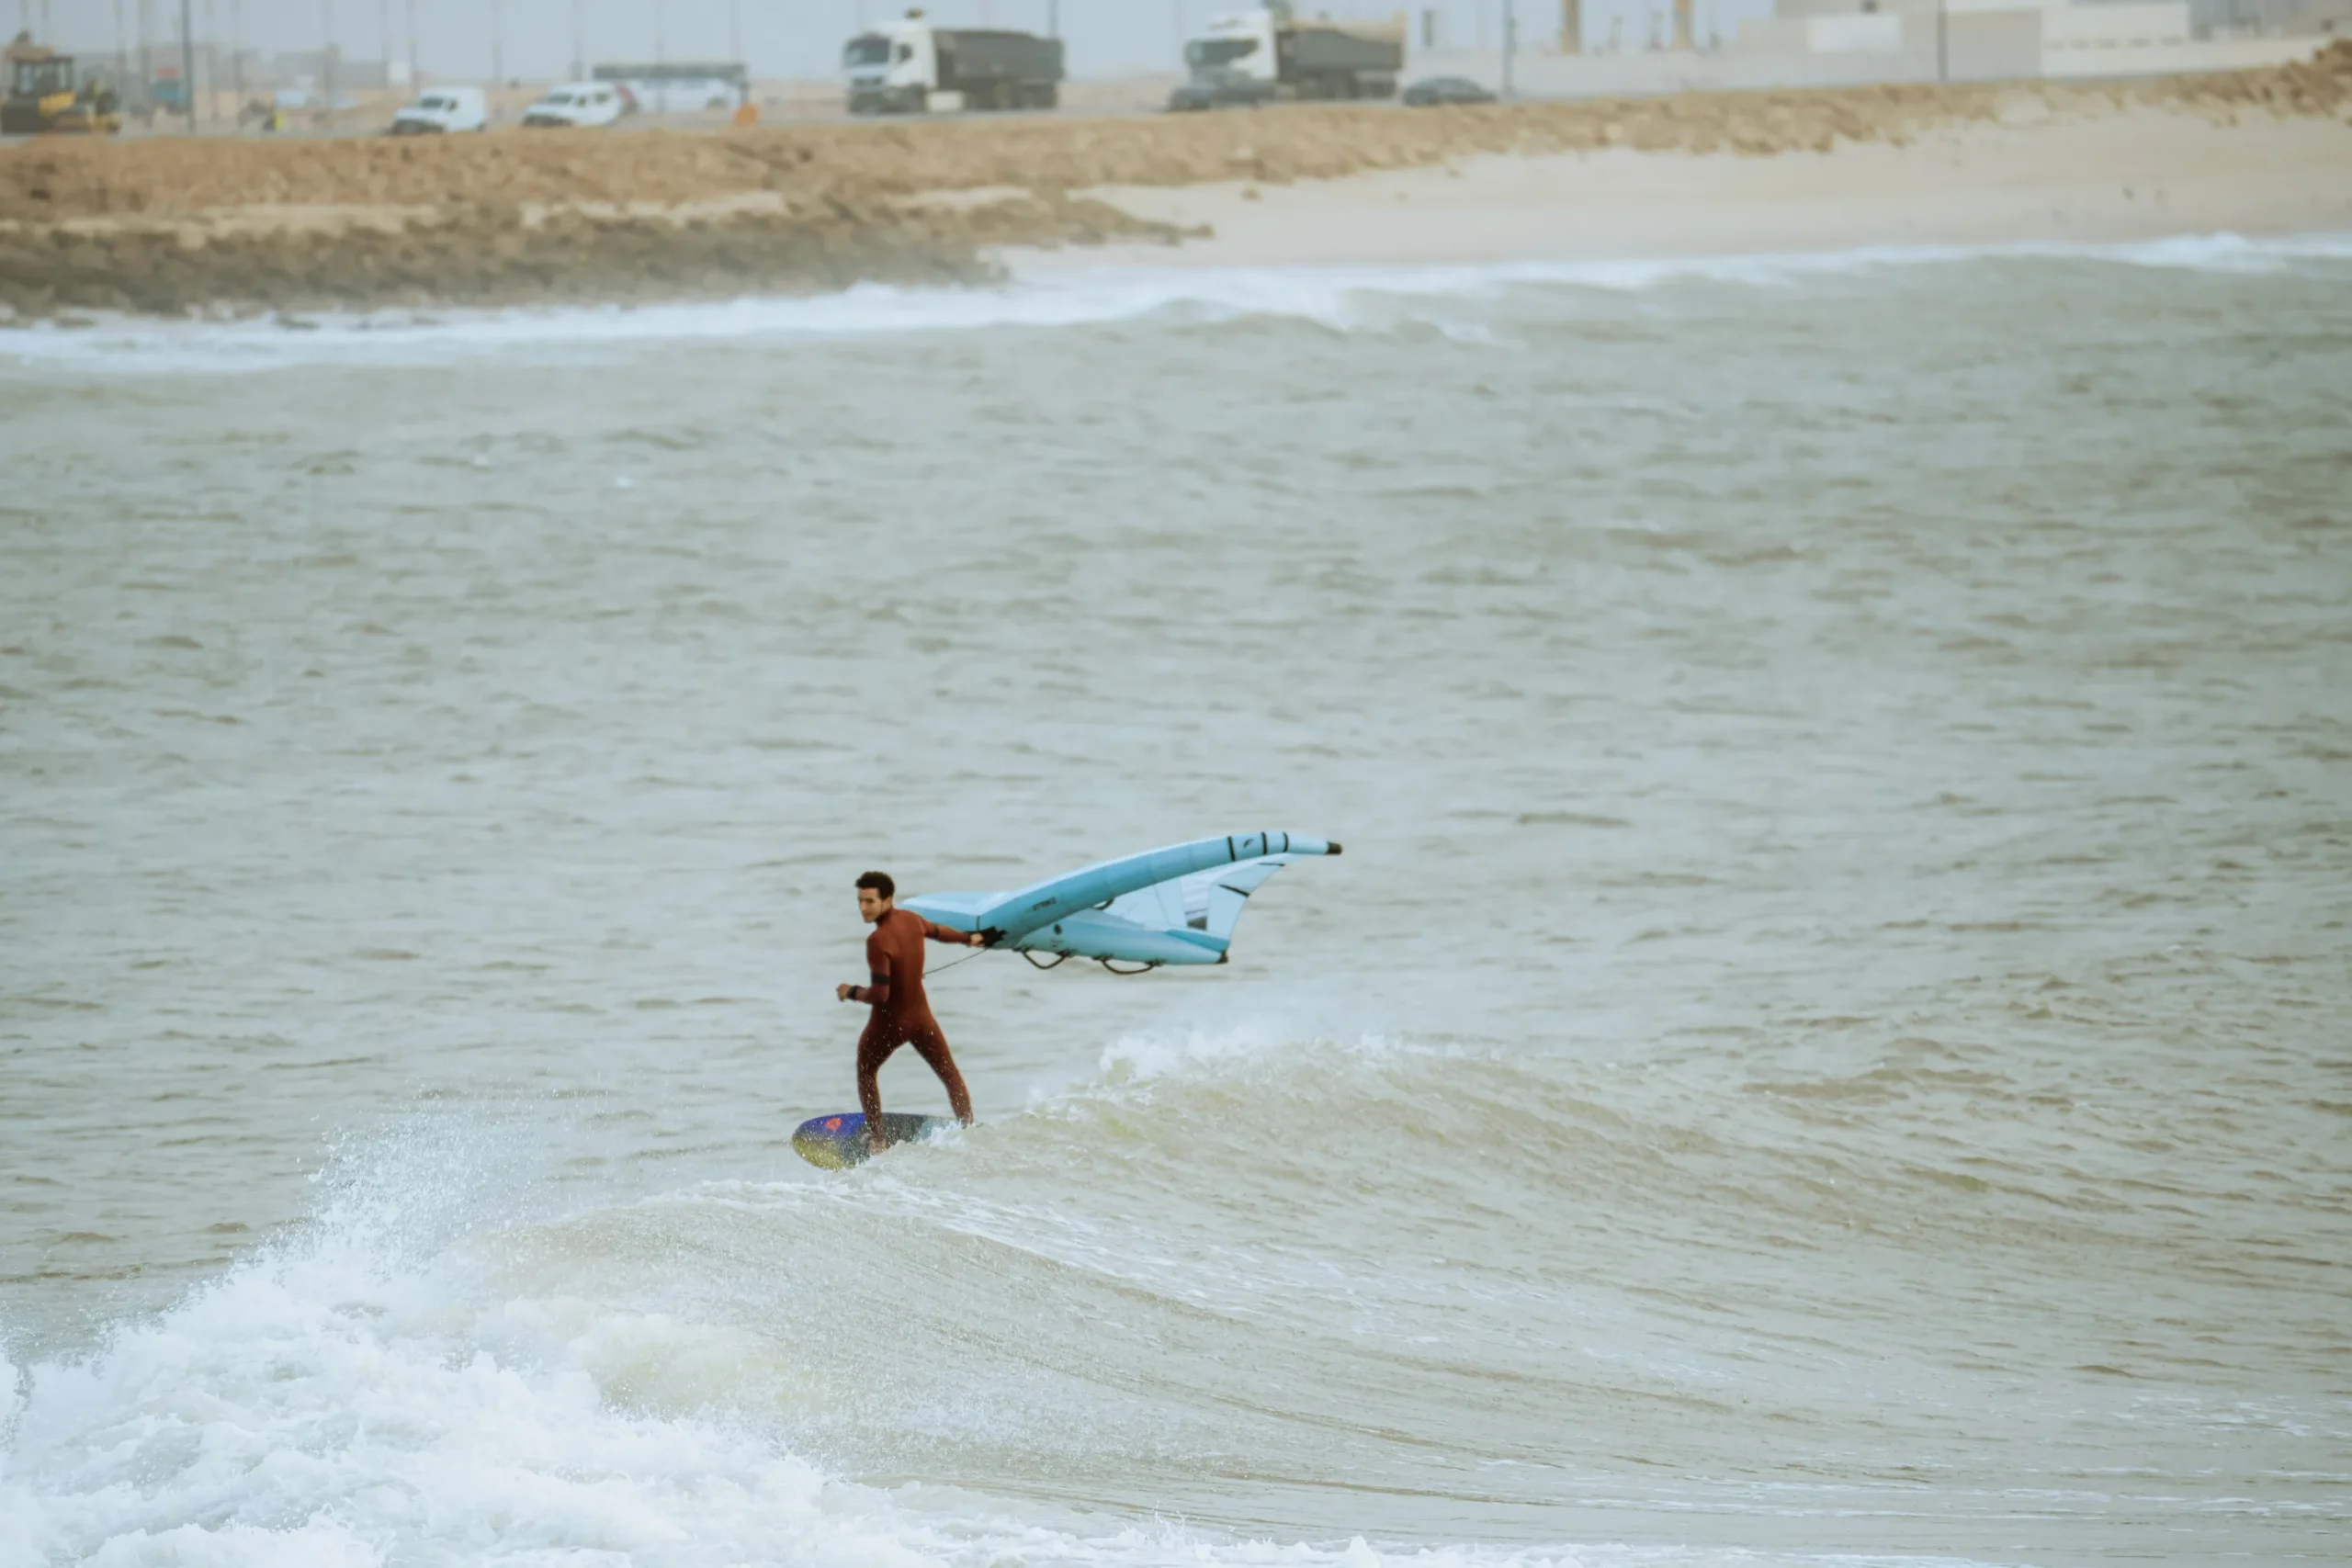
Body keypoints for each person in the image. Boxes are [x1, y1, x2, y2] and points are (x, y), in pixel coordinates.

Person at [837, 870, 986, 1155]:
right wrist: (969, 938)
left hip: (890, 1023)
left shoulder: (877, 940)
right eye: (860, 901)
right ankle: (968, 1130)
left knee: (866, 1071)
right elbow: (939, 932)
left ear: (888, 899)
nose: (863, 908)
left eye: (869, 901)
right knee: (949, 1072)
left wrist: (850, 991)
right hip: (921, 1018)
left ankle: (877, 1140)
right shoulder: (912, 920)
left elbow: (880, 995)